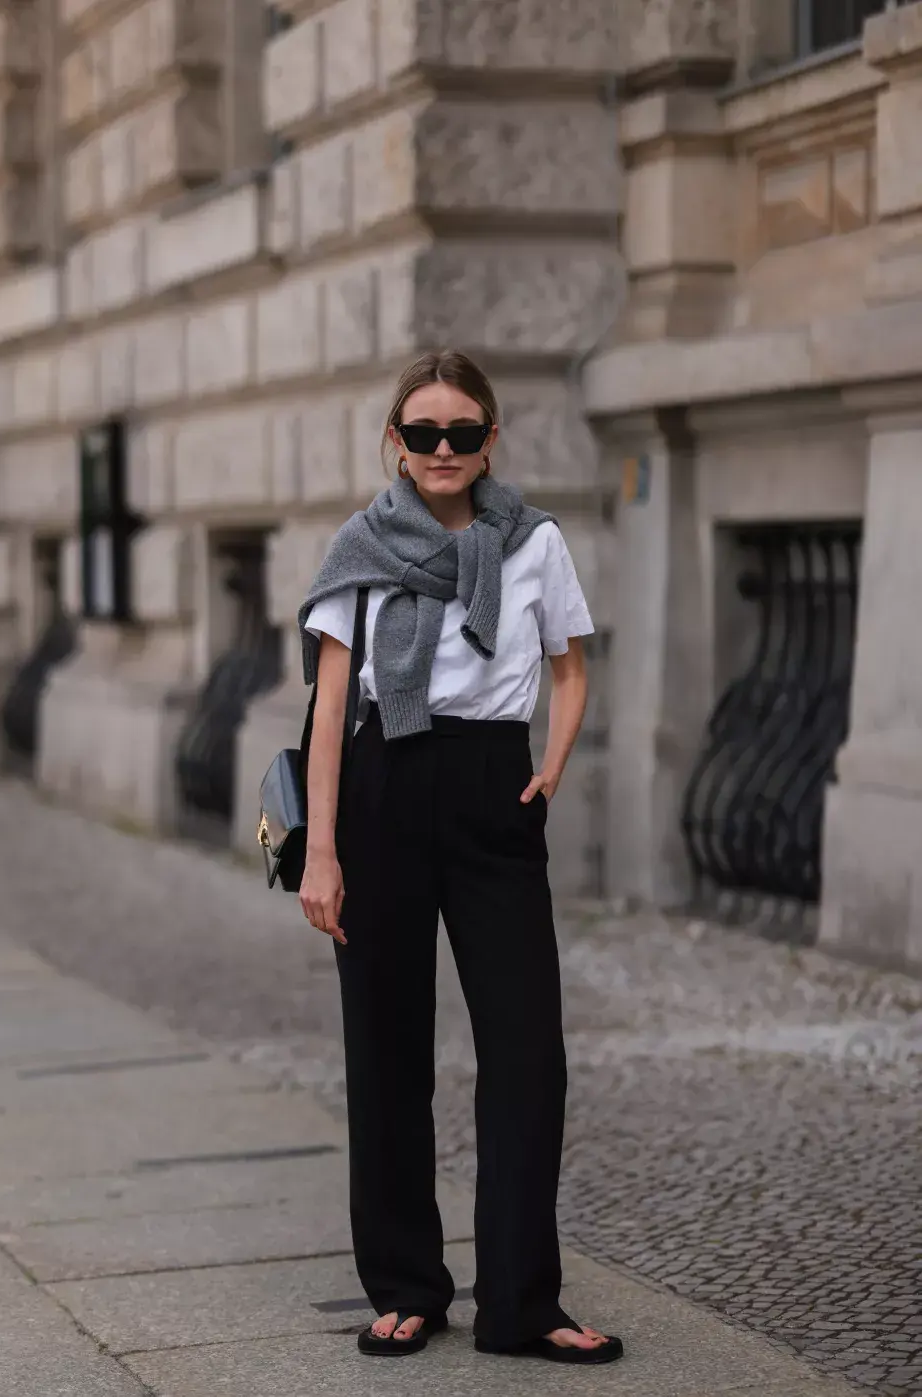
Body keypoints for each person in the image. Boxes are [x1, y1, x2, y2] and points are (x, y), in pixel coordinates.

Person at [297, 350, 623, 1366]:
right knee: (385, 1048)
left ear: (492, 440)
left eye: (464, 433)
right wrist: (320, 849)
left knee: (528, 1051)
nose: (445, 451)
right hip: (381, 788)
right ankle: (404, 1285)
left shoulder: (533, 543)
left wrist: (551, 768)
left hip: (493, 789)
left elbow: (570, 668)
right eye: (425, 432)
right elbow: (325, 707)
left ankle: (521, 1300)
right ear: (396, 439)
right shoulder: (358, 545)